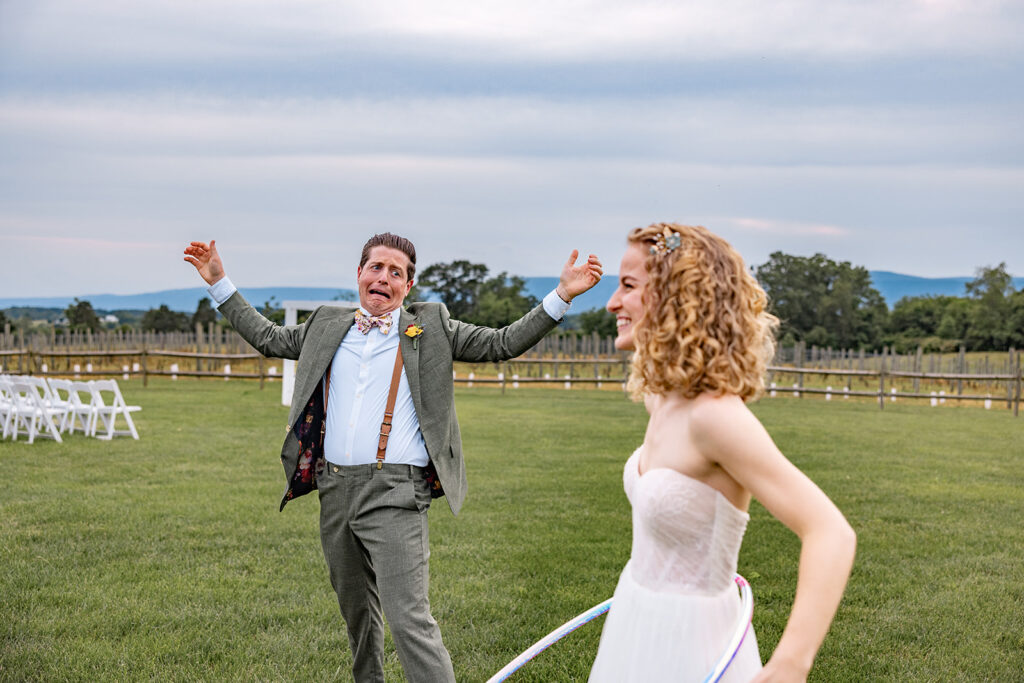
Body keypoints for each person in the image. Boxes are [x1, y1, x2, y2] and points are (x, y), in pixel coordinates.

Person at [183, 234, 602, 683]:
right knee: (357, 617)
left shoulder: (433, 327)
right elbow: (269, 338)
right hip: (334, 490)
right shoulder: (327, 322)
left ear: (409, 285)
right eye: (376, 267)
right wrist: (218, 282)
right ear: (359, 274)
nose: (383, 278)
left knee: (409, 621)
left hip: (396, 493)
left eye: (395, 272)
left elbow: (502, 344)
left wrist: (561, 296)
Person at [590, 223, 855, 682]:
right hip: (635, 621)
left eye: (629, 286)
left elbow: (830, 531)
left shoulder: (715, 417)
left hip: (693, 642)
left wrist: (791, 663)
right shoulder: (662, 397)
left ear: (677, 296)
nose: (612, 302)